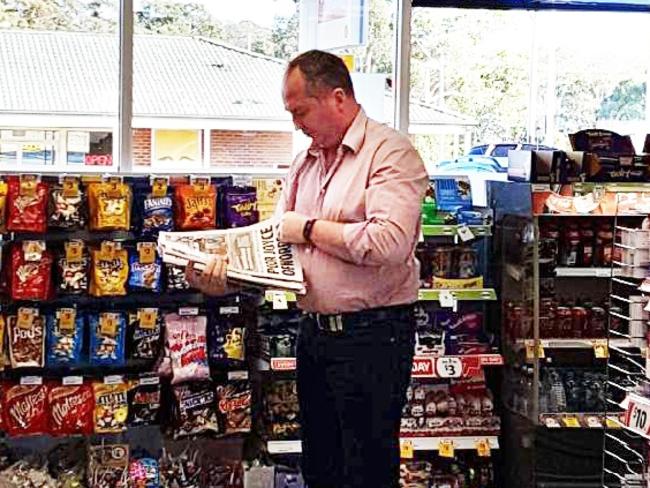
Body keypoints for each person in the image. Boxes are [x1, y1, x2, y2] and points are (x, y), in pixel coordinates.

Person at [187, 49, 428, 488]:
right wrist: (223, 276)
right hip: (314, 333)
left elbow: (389, 243)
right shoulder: (305, 163)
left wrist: (311, 228)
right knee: (321, 465)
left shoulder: (391, 153)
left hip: (374, 334)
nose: (295, 124)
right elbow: (281, 248)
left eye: (300, 111)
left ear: (338, 98)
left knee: (367, 469)